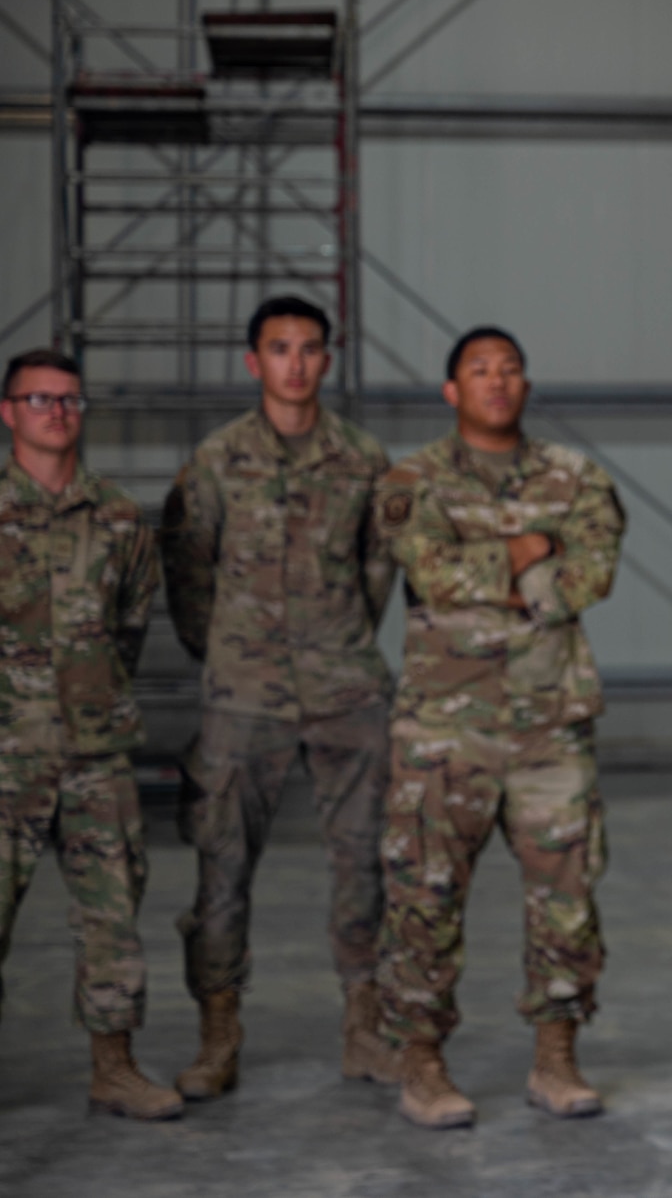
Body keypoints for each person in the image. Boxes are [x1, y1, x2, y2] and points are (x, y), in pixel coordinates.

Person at [372, 326, 625, 1129]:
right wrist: (527, 551)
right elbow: (431, 571)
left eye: (510, 368)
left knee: (567, 898)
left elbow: (591, 573)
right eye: (479, 370)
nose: (497, 380)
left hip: (550, 725)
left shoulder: (576, 476)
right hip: (445, 731)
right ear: (452, 390)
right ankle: (421, 1063)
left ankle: (555, 1059)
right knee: (425, 897)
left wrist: (502, 574)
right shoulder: (412, 478)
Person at [159, 296, 399, 1100]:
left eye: (309, 348)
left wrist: (337, 645)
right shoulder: (216, 460)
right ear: (252, 360)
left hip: (346, 688)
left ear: (327, 361)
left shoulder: (364, 460)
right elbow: (189, 574)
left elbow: (377, 570)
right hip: (244, 692)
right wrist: (226, 650)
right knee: (222, 869)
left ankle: (365, 1027)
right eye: (278, 347)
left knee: (364, 861)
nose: (295, 362)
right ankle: (217, 1033)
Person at [0, 348, 177, 1120]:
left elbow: (129, 628)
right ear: (8, 413)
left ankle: (115, 1068)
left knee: (112, 913)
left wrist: (90, 699)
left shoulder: (118, 518)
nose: (56, 411)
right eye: (38, 399)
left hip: (95, 754)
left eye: (69, 399)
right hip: (3, 754)